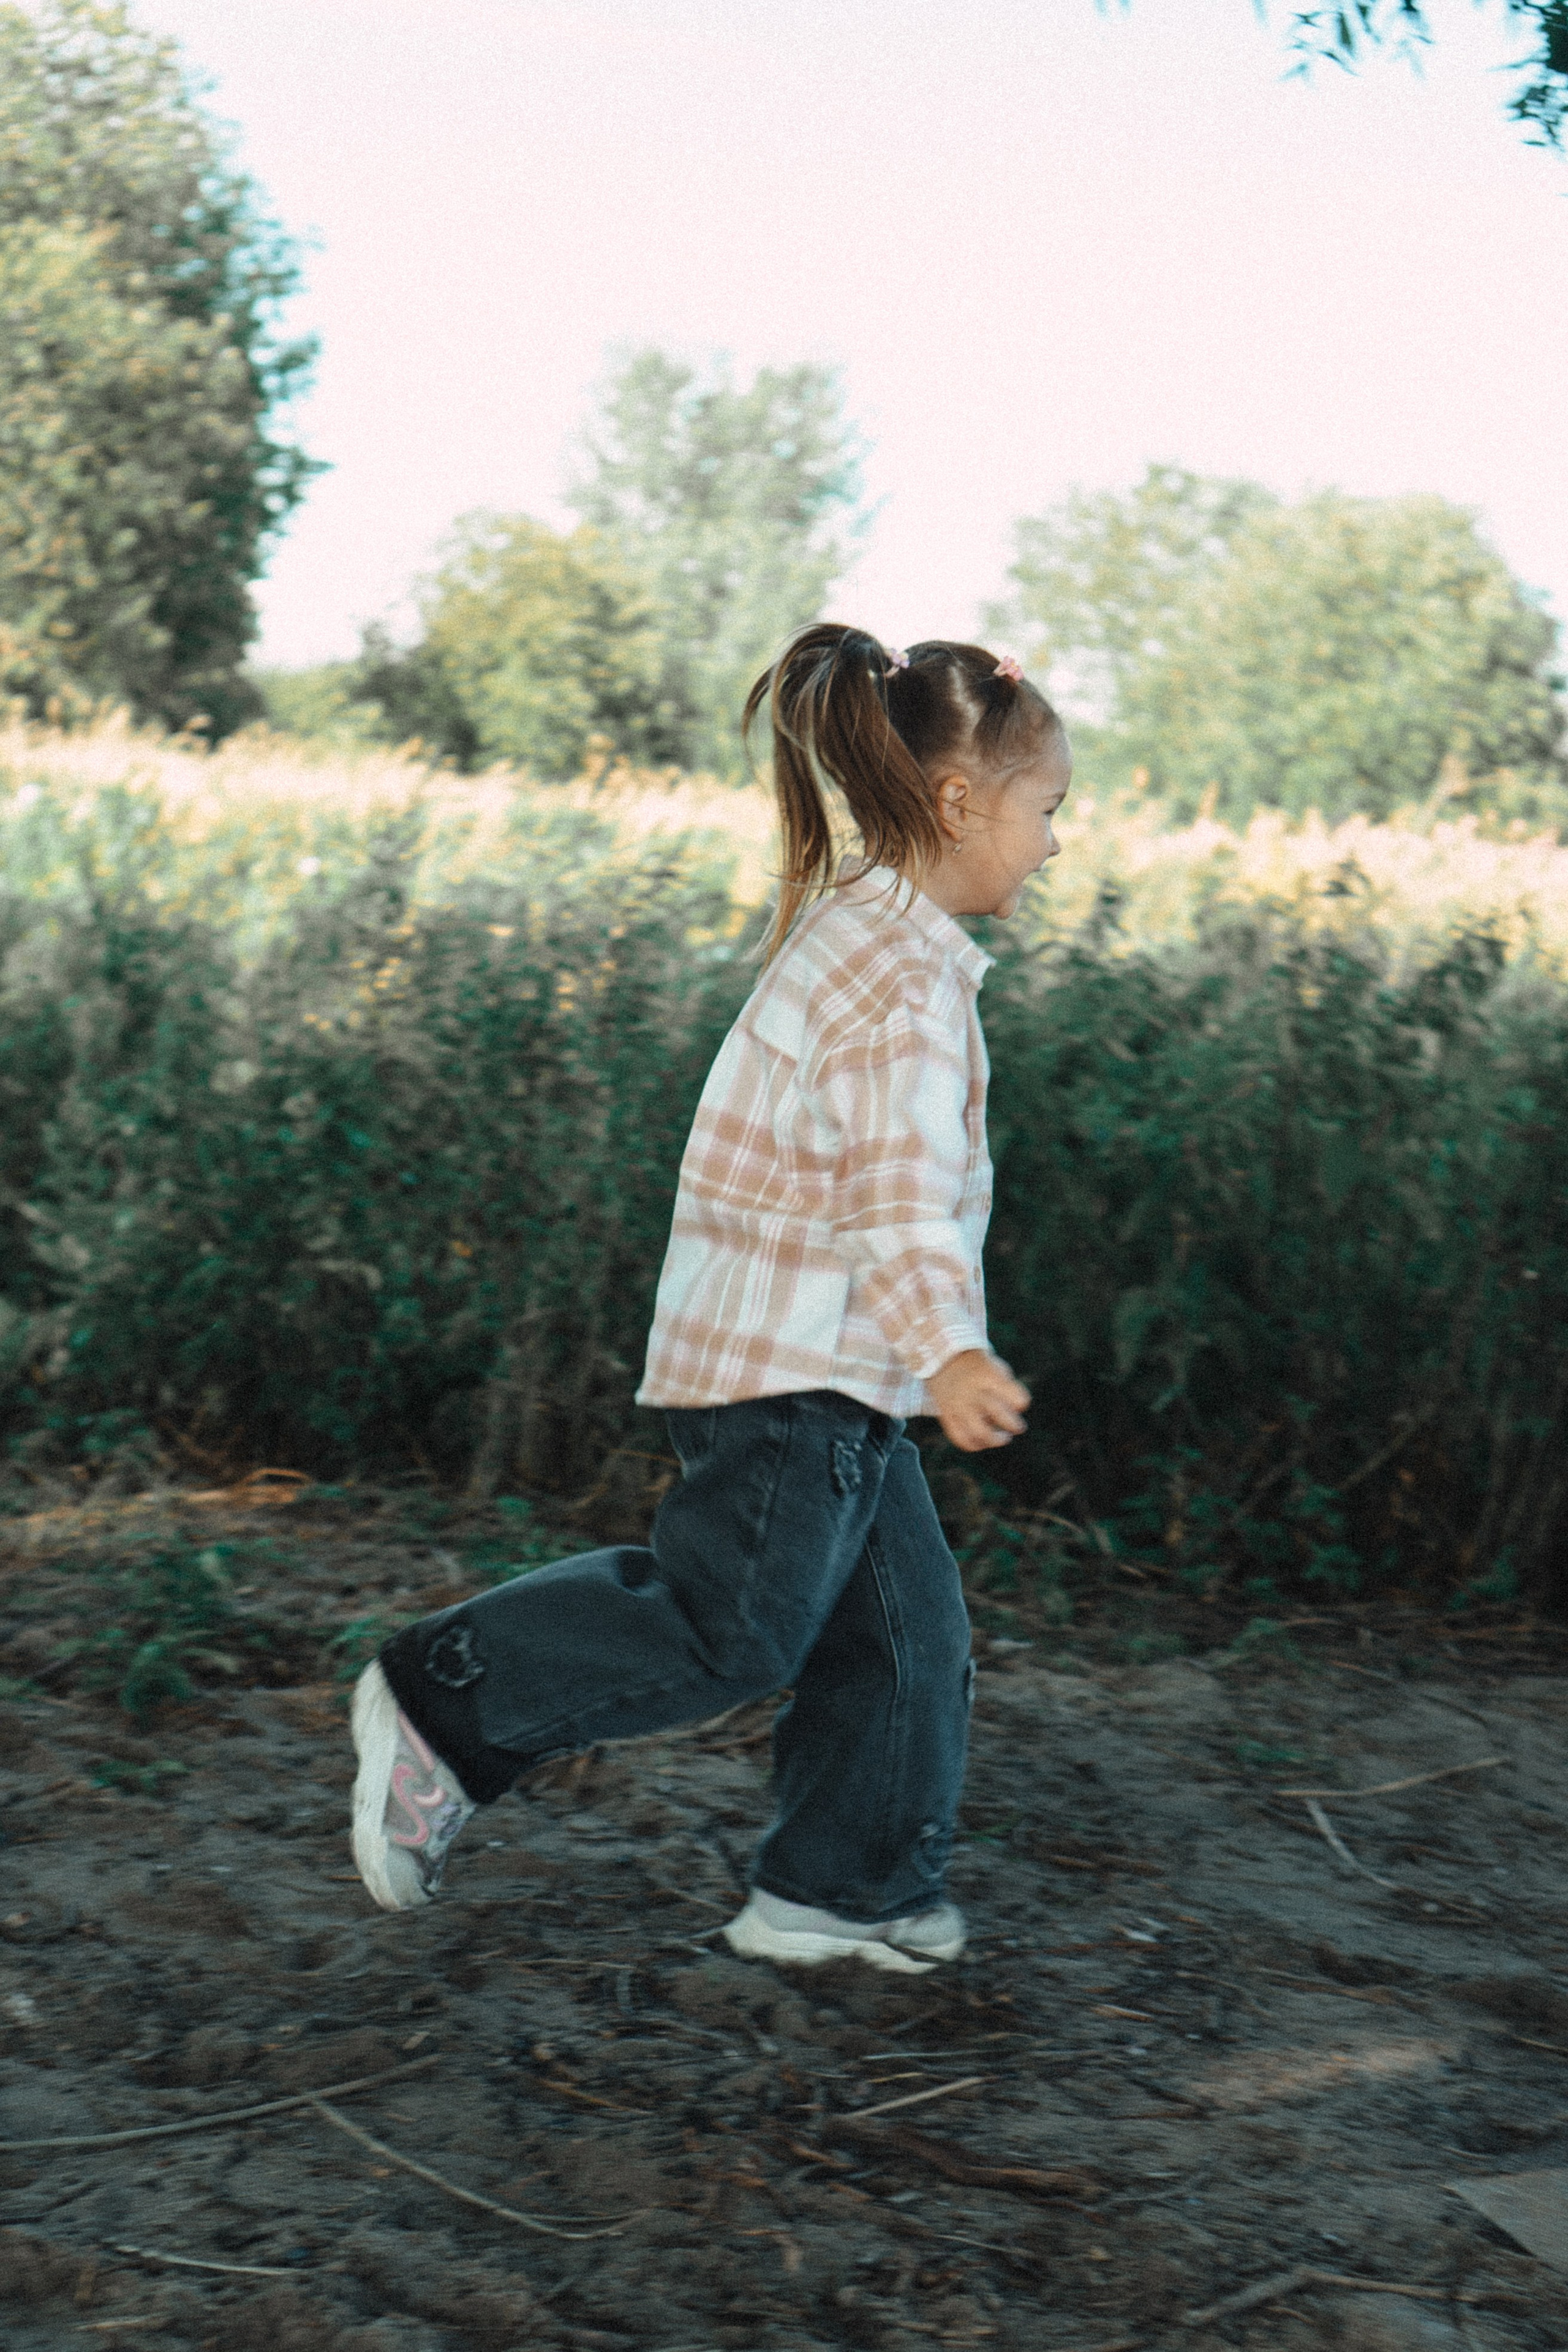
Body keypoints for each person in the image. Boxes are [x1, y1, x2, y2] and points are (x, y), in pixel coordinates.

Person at [349, 624, 1071, 1973]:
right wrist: (952, 1352)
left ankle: (841, 1891)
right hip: (790, 1372)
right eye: (1046, 809)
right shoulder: (900, 985)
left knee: (903, 1639)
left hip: (834, 1371)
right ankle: (449, 1696)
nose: (1052, 842)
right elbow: (892, 1198)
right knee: (728, 1628)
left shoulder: (874, 935)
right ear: (961, 802)